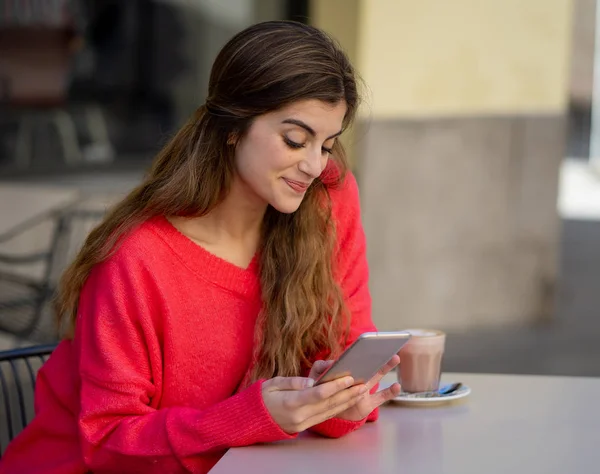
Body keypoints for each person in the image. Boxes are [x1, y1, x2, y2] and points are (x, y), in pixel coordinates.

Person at [0, 20, 401, 474]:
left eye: (326, 145)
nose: (313, 165)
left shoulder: (328, 201)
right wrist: (250, 418)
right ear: (232, 127)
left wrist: (339, 403)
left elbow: (344, 352)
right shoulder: (135, 259)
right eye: (295, 140)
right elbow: (109, 442)